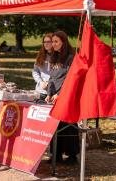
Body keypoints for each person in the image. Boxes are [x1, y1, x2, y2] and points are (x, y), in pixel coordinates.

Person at [46, 31, 80, 164]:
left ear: (63, 42)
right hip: (55, 98)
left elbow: (70, 79)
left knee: (69, 126)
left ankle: (72, 156)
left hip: (67, 97)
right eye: (52, 41)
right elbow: (52, 78)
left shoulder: (71, 58)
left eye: (56, 42)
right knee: (55, 126)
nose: (53, 44)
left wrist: (60, 94)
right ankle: (56, 154)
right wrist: (49, 93)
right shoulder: (53, 57)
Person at [32, 33, 53, 101]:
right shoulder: (40, 55)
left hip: (53, 93)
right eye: (44, 42)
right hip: (40, 91)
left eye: (48, 42)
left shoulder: (59, 57)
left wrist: (48, 83)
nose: (46, 44)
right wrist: (41, 82)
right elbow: (35, 71)